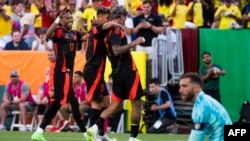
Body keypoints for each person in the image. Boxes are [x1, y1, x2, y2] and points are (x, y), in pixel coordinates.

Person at [86, 6, 145, 141]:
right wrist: (134, 42)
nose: (125, 20)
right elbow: (117, 50)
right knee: (137, 103)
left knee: (114, 105)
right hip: (128, 70)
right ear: (119, 17)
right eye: (125, 17)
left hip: (116, 72)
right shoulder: (116, 29)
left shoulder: (104, 32)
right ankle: (133, 138)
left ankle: (94, 128)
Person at [31, 8, 87, 141]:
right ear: (61, 20)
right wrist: (56, 19)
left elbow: (87, 37)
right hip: (61, 71)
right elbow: (48, 35)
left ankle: (86, 134)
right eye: (67, 17)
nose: (70, 19)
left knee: (71, 103)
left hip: (68, 72)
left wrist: (94, 28)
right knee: (60, 102)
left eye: (70, 17)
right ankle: (39, 131)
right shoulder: (59, 32)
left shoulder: (74, 33)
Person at [82, 7, 123, 140]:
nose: (109, 20)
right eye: (107, 17)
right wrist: (118, 23)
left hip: (97, 72)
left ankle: (101, 134)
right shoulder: (96, 30)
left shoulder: (94, 30)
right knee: (97, 103)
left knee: (107, 104)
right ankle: (92, 134)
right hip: (93, 71)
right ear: (100, 18)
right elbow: (109, 24)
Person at [178, 72, 232, 141]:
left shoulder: (201, 107)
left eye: (184, 86)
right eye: (180, 86)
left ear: (197, 88)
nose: (180, 90)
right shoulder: (206, 100)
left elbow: (195, 139)